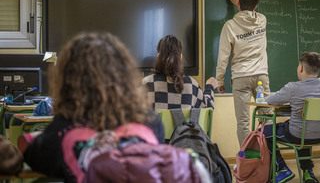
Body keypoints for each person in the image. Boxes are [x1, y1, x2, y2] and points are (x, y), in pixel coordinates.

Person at [23, 33, 172, 182]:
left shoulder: (64, 128)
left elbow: (34, 157)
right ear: (125, 76)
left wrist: (37, 136)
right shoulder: (151, 122)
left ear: (68, 81)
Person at [263, 52, 320, 183]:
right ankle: (308, 172)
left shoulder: (293, 88)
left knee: (263, 132)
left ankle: (282, 169)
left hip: (298, 135)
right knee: (301, 128)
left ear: (300, 67)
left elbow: (270, 100)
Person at [216, 0, 270, 145]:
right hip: (261, 79)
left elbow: (223, 55)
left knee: (243, 123)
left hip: (241, 80)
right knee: (267, 118)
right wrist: (240, 4)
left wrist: (220, 80)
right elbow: (248, 13)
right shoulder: (262, 20)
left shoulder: (230, 26)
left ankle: (247, 162)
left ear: (238, 3)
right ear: (255, 7)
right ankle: (270, 159)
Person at [142, 35, 218, 111]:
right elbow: (208, 108)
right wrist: (209, 87)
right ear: (180, 57)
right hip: (182, 123)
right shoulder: (191, 85)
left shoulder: (145, 84)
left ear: (158, 57)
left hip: (154, 123)